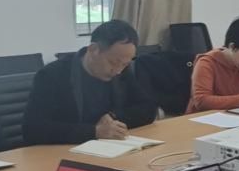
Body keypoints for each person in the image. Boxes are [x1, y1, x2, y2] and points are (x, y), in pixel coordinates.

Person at [22, 19, 157, 144]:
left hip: (109, 148)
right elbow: (32, 129)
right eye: (113, 62)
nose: (118, 71)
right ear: (93, 50)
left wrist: (112, 117)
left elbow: (148, 109)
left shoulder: (121, 70)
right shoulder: (52, 75)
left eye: (125, 64)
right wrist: (94, 132)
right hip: (64, 152)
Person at [186, 17, 239, 113]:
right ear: (232, 46)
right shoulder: (206, 62)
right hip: (203, 118)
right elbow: (202, 101)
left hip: (236, 115)